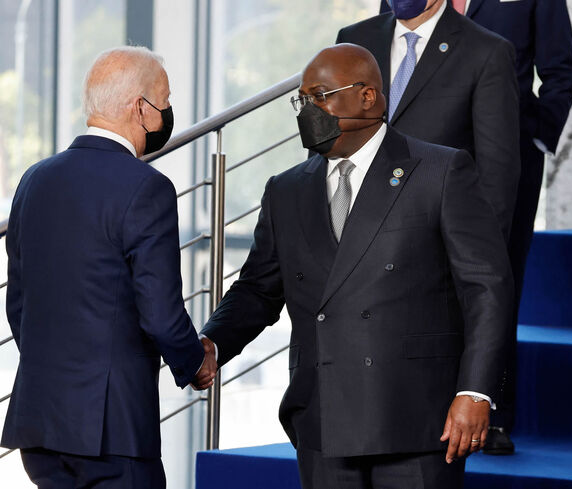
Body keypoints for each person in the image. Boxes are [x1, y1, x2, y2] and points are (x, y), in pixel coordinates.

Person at [197, 44, 513, 489]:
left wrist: (475, 390)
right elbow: (258, 289)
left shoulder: (440, 170)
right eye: (302, 100)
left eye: (322, 96)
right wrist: (213, 343)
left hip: (417, 418)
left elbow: (487, 288)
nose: (310, 110)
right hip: (323, 416)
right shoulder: (285, 189)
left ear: (368, 97)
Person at [0, 46, 216, 489]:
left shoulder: (33, 180)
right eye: (166, 100)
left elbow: (18, 306)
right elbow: (159, 312)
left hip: (40, 426)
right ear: (141, 108)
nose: (169, 111)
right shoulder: (147, 188)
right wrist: (195, 363)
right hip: (111, 431)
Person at [381, 0, 572, 454]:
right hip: (420, 158)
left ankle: (495, 409)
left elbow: (560, 71)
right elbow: (389, 43)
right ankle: (417, 399)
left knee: (497, 278)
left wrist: (535, 135)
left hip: (506, 156)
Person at [336, 0, 521, 240]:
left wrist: (481, 259)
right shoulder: (354, 40)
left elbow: (497, 174)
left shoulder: (485, 51)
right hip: (355, 232)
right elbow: (333, 137)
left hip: (434, 242)